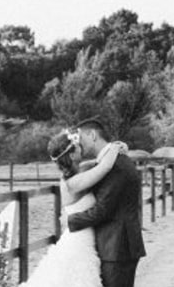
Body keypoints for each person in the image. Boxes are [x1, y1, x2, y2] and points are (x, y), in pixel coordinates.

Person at [21, 128, 128, 287]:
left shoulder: (80, 170)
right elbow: (103, 167)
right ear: (71, 155)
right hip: (79, 241)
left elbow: (99, 162)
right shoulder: (72, 183)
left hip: (82, 234)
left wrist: (120, 148)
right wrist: (113, 147)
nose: (81, 146)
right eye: (77, 145)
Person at [66, 118, 146, 287]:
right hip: (116, 245)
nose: (79, 143)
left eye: (81, 137)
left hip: (117, 247)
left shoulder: (115, 165)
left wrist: (69, 221)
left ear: (92, 135)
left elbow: (103, 211)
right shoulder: (111, 160)